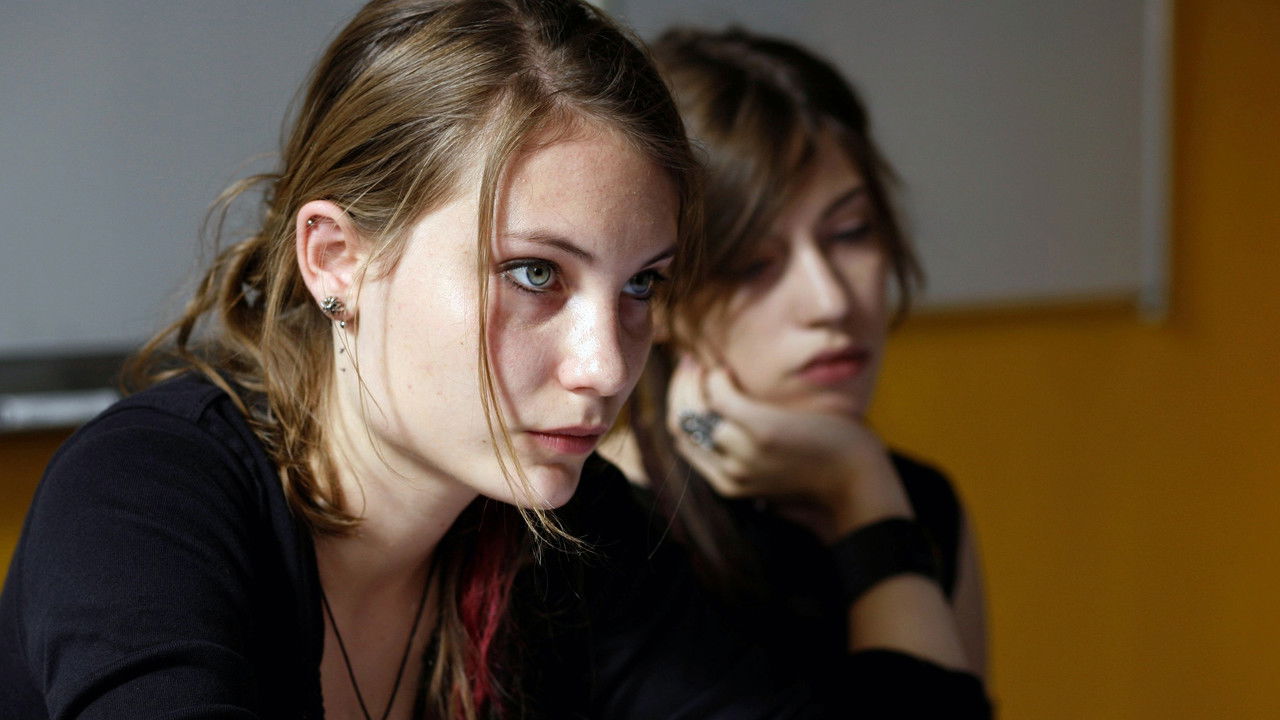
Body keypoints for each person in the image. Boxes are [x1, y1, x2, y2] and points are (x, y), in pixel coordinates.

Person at [0, 1, 703, 717]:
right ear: (337, 260)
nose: (608, 368)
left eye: (641, 283)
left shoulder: (575, 530)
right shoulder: (144, 497)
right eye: (534, 272)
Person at [601, 26, 991, 713]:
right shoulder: (595, 526)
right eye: (754, 265)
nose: (831, 301)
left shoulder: (918, 499)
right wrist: (861, 485)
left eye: (851, 233)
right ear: (658, 293)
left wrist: (866, 488)